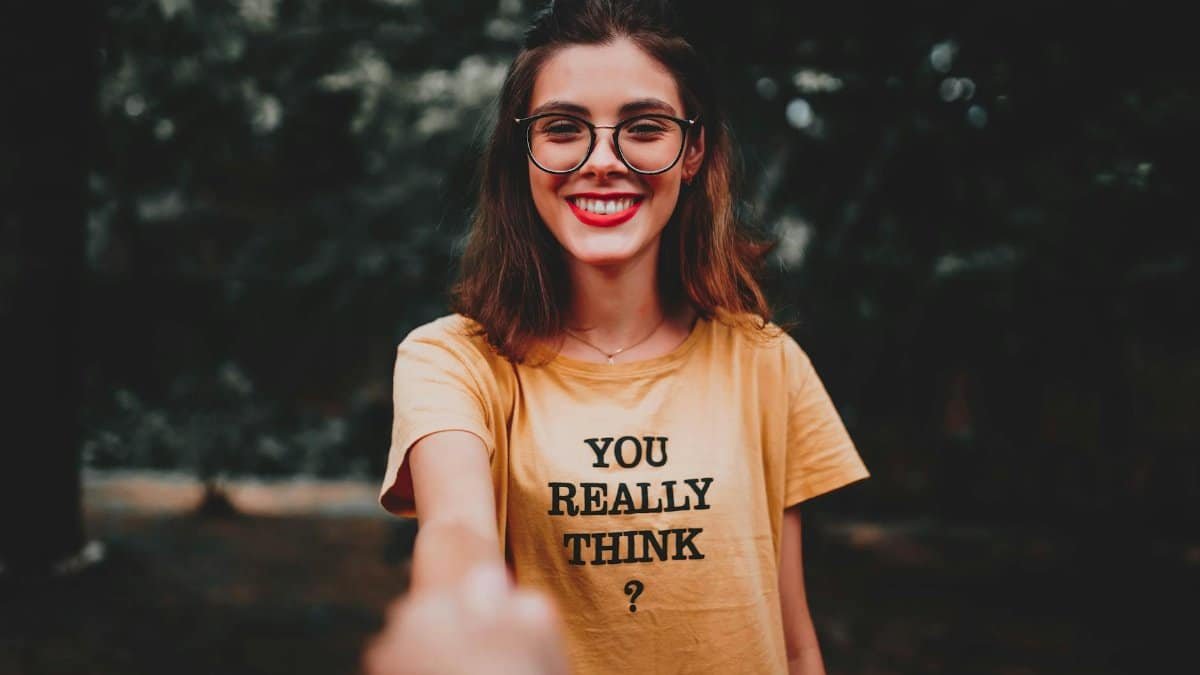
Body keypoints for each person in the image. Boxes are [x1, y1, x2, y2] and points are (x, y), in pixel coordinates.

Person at [373, 1, 870, 673]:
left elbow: (793, 638)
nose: (603, 161)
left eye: (643, 128)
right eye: (562, 128)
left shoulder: (765, 361)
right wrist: (462, 616)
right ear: (522, 153)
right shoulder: (452, 362)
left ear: (693, 152)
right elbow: (456, 529)